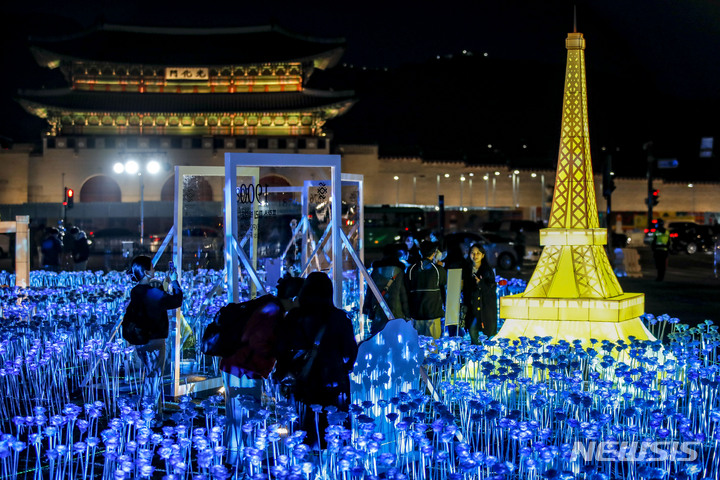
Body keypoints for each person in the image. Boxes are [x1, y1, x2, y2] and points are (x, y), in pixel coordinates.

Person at [281, 272, 358, 449]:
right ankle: (329, 467)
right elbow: (350, 352)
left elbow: (281, 347)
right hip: (332, 381)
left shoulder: (294, 317)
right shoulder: (339, 317)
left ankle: (305, 465)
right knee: (332, 430)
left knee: (304, 428)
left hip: (303, 382)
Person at [127, 255, 183, 413]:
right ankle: (149, 413)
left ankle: (153, 412)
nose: (154, 269)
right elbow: (176, 300)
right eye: (152, 267)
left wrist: (164, 286)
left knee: (150, 375)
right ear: (146, 272)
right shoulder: (151, 293)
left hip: (142, 341)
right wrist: (174, 282)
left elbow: (156, 300)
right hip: (154, 341)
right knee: (153, 377)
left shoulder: (136, 291)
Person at [362, 243, 410, 335]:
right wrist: (407, 314)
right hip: (396, 312)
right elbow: (403, 294)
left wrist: (367, 309)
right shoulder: (399, 271)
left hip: (378, 313)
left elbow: (369, 292)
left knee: (379, 340)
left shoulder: (376, 271)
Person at [407, 240, 447, 340]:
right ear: (434, 253)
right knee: (432, 347)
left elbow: (408, 288)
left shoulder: (412, 269)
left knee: (418, 346)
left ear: (420, 252)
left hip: (416, 313)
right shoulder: (438, 269)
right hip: (433, 313)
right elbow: (444, 283)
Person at [463, 243, 497, 343]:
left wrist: (481, 283)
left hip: (485, 307)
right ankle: (477, 349)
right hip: (472, 307)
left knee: (487, 333)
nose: (475, 255)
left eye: (478, 253)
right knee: (472, 330)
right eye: (472, 253)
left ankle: (483, 351)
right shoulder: (466, 269)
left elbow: (492, 288)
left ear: (483, 255)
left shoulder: (487, 270)